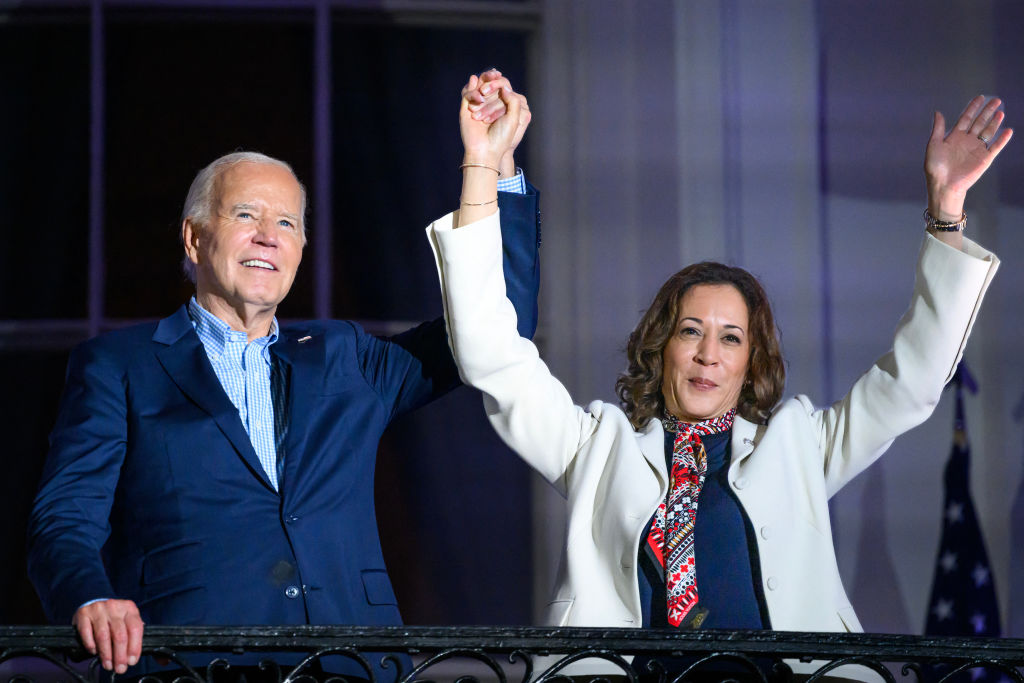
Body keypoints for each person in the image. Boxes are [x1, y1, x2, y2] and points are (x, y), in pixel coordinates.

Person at [427, 89, 1009, 673]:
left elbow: (913, 382)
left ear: (751, 359)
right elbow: (491, 356)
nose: (709, 354)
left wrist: (947, 207)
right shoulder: (595, 448)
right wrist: (481, 163)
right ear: (661, 348)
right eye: (690, 332)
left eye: (731, 337)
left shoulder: (800, 444)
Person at [27, 72, 537, 679]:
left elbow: (498, 330)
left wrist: (492, 168)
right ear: (194, 239)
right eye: (246, 214)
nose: (269, 236)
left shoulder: (346, 355)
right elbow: (64, 519)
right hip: (191, 665)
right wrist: (89, 597)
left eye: (288, 223)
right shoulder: (119, 365)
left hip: (354, 663)